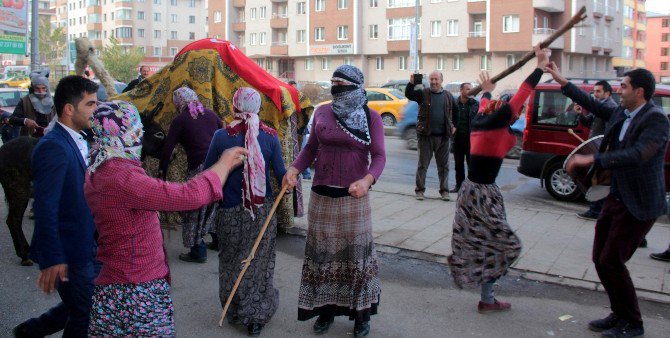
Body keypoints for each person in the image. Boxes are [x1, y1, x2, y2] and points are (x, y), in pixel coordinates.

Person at [84, 100, 247, 337]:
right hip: (135, 291)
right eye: (137, 130)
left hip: (120, 282)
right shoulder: (120, 176)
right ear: (122, 133)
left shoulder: (100, 166)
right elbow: (188, 196)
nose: (140, 137)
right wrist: (224, 164)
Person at [546, 63, 669, 337]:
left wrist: (593, 158)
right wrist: (560, 79)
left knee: (612, 260)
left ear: (639, 91)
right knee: (600, 258)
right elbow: (588, 100)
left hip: (640, 203)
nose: (618, 90)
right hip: (616, 196)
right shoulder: (621, 113)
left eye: (623, 86)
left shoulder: (656, 119)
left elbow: (639, 154)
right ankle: (619, 313)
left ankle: (633, 323)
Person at [283, 65, 386, 337]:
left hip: (354, 198)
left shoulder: (370, 116)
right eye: (333, 81)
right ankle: (325, 311)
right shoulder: (322, 112)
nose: (335, 85)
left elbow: (379, 157)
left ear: (355, 85)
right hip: (322, 196)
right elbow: (310, 148)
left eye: (341, 81)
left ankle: (361, 316)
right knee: (323, 257)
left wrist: (367, 181)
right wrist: (294, 169)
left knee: (356, 258)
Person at [449, 45, 550, 315]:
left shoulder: (482, 118)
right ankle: (487, 295)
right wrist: (540, 65)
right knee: (504, 245)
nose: (519, 110)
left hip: (471, 192)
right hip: (483, 194)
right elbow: (523, 93)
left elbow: (485, 100)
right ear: (505, 112)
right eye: (516, 110)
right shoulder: (498, 120)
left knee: (484, 242)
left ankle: (488, 297)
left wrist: (487, 89)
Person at [13, 75, 100, 337]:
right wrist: (53, 258)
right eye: (91, 104)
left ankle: (31, 330)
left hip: (87, 244)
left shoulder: (80, 137)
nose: (96, 110)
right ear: (69, 109)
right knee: (84, 312)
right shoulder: (54, 147)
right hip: (69, 250)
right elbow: (45, 207)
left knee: (83, 302)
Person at [204, 87, 287, 337]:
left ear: (234, 107)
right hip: (261, 212)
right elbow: (282, 175)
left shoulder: (221, 136)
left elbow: (209, 172)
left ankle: (236, 310)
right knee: (258, 263)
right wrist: (290, 180)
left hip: (229, 211)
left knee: (231, 260)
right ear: (258, 107)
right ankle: (256, 317)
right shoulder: (271, 137)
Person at [159, 87, 223, 263]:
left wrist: (162, 170)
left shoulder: (180, 120)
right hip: (219, 167)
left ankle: (198, 250)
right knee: (214, 204)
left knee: (194, 207)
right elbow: (224, 134)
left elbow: (168, 148)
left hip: (199, 167)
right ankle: (217, 241)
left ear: (179, 101)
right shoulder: (211, 115)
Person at [405, 70, 457, 201]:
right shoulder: (423, 93)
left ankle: (444, 191)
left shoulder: (448, 96)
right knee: (422, 165)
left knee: (444, 167)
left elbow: (456, 113)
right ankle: (420, 191)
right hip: (426, 137)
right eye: (432, 79)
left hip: (444, 137)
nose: (433, 82)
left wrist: (454, 126)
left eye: (436, 79)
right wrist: (411, 83)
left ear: (441, 81)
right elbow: (409, 94)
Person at [575, 80, 617, 221]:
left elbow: (609, 133)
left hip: (601, 151)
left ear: (607, 93)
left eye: (598, 91)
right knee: (596, 180)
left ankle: (596, 211)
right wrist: (580, 114)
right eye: (594, 91)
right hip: (596, 149)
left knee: (598, 181)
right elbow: (589, 123)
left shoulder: (610, 107)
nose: (595, 94)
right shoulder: (599, 106)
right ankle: (597, 210)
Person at [450, 82, 479, 193]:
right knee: (458, 165)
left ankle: (472, 189)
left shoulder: (475, 104)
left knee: (471, 166)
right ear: (461, 90)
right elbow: (450, 118)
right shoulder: (455, 104)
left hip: (471, 140)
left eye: (471, 89)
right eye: (467, 89)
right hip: (457, 140)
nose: (470, 91)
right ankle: (459, 186)